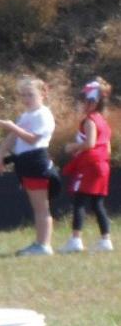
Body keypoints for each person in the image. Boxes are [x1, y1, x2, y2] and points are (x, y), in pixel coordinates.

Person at [0, 77, 57, 256]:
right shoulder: (26, 115)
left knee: (41, 207)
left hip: (36, 161)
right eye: (23, 95)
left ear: (43, 94)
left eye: (30, 95)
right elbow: (13, 137)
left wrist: (12, 126)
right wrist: (0, 153)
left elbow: (32, 138)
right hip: (26, 162)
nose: (26, 99)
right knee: (37, 206)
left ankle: (44, 244)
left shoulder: (43, 114)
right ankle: (40, 242)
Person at [61, 78, 113, 253]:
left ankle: (76, 240)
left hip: (90, 165)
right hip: (102, 165)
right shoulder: (103, 121)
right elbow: (107, 149)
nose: (82, 104)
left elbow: (90, 143)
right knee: (97, 204)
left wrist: (73, 147)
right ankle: (105, 240)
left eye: (85, 100)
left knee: (79, 202)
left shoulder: (90, 120)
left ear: (94, 102)